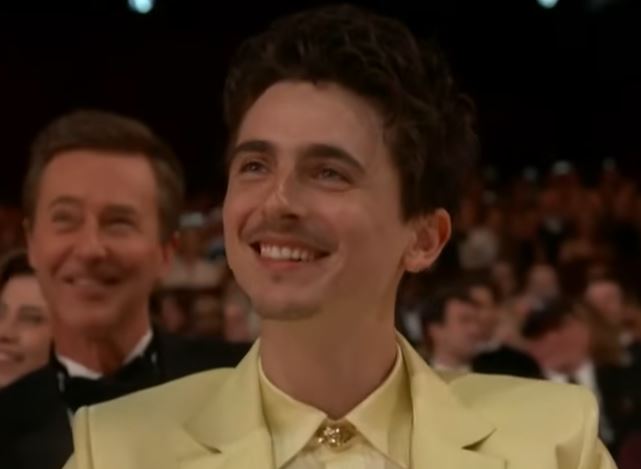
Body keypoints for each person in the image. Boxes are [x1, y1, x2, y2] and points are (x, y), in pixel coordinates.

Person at [64, 6, 615, 469]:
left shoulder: (554, 441)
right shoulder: (116, 449)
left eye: (328, 172)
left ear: (424, 238)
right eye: (254, 165)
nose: (276, 201)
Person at [20, 110, 248, 469]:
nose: (90, 249)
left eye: (119, 222)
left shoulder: (246, 385)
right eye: (65, 219)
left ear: (166, 252)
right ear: (31, 243)